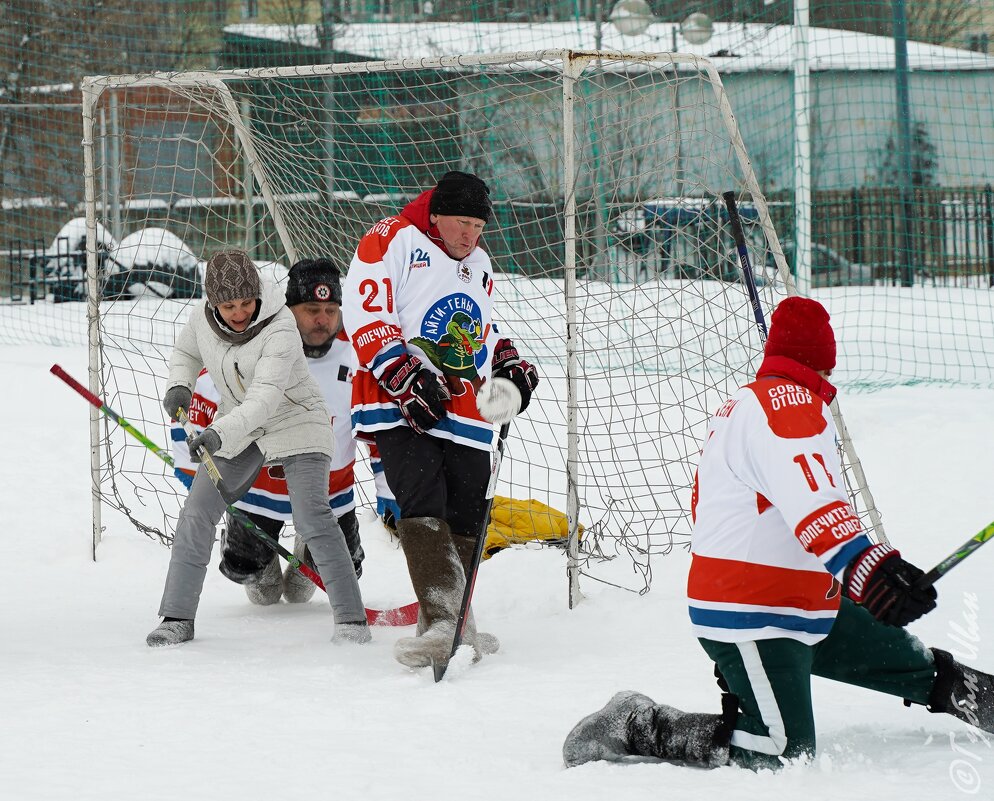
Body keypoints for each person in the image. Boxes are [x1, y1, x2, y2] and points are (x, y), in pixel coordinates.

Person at [563, 296, 994, 769]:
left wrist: (862, 573)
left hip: (802, 603)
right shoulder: (787, 406)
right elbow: (814, 500)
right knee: (782, 752)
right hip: (753, 614)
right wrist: (868, 568)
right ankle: (637, 723)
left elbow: (789, 503)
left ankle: (986, 699)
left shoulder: (765, 404)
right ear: (820, 363)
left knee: (905, 660)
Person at [343, 170, 539, 668]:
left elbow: (480, 329)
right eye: (461, 222)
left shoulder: (480, 263)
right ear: (437, 215)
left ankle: (454, 621)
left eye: (478, 224)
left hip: (464, 404)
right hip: (402, 397)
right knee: (423, 496)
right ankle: (442, 623)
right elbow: (365, 313)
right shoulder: (392, 238)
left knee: (467, 507)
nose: (470, 234)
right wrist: (402, 372)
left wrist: (505, 359)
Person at [148, 249, 369, 647]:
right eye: (228, 305)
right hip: (241, 423)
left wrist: (217, 434)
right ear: (212, 301)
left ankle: (352, 622)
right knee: (197, 512)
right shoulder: (201, 318)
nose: (238, 312)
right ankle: (176, 616)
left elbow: (265, 399)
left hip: (297, 419)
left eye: (246, 302)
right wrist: (179, 386)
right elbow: (186, 352)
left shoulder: (280, 325)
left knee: (313, 516)